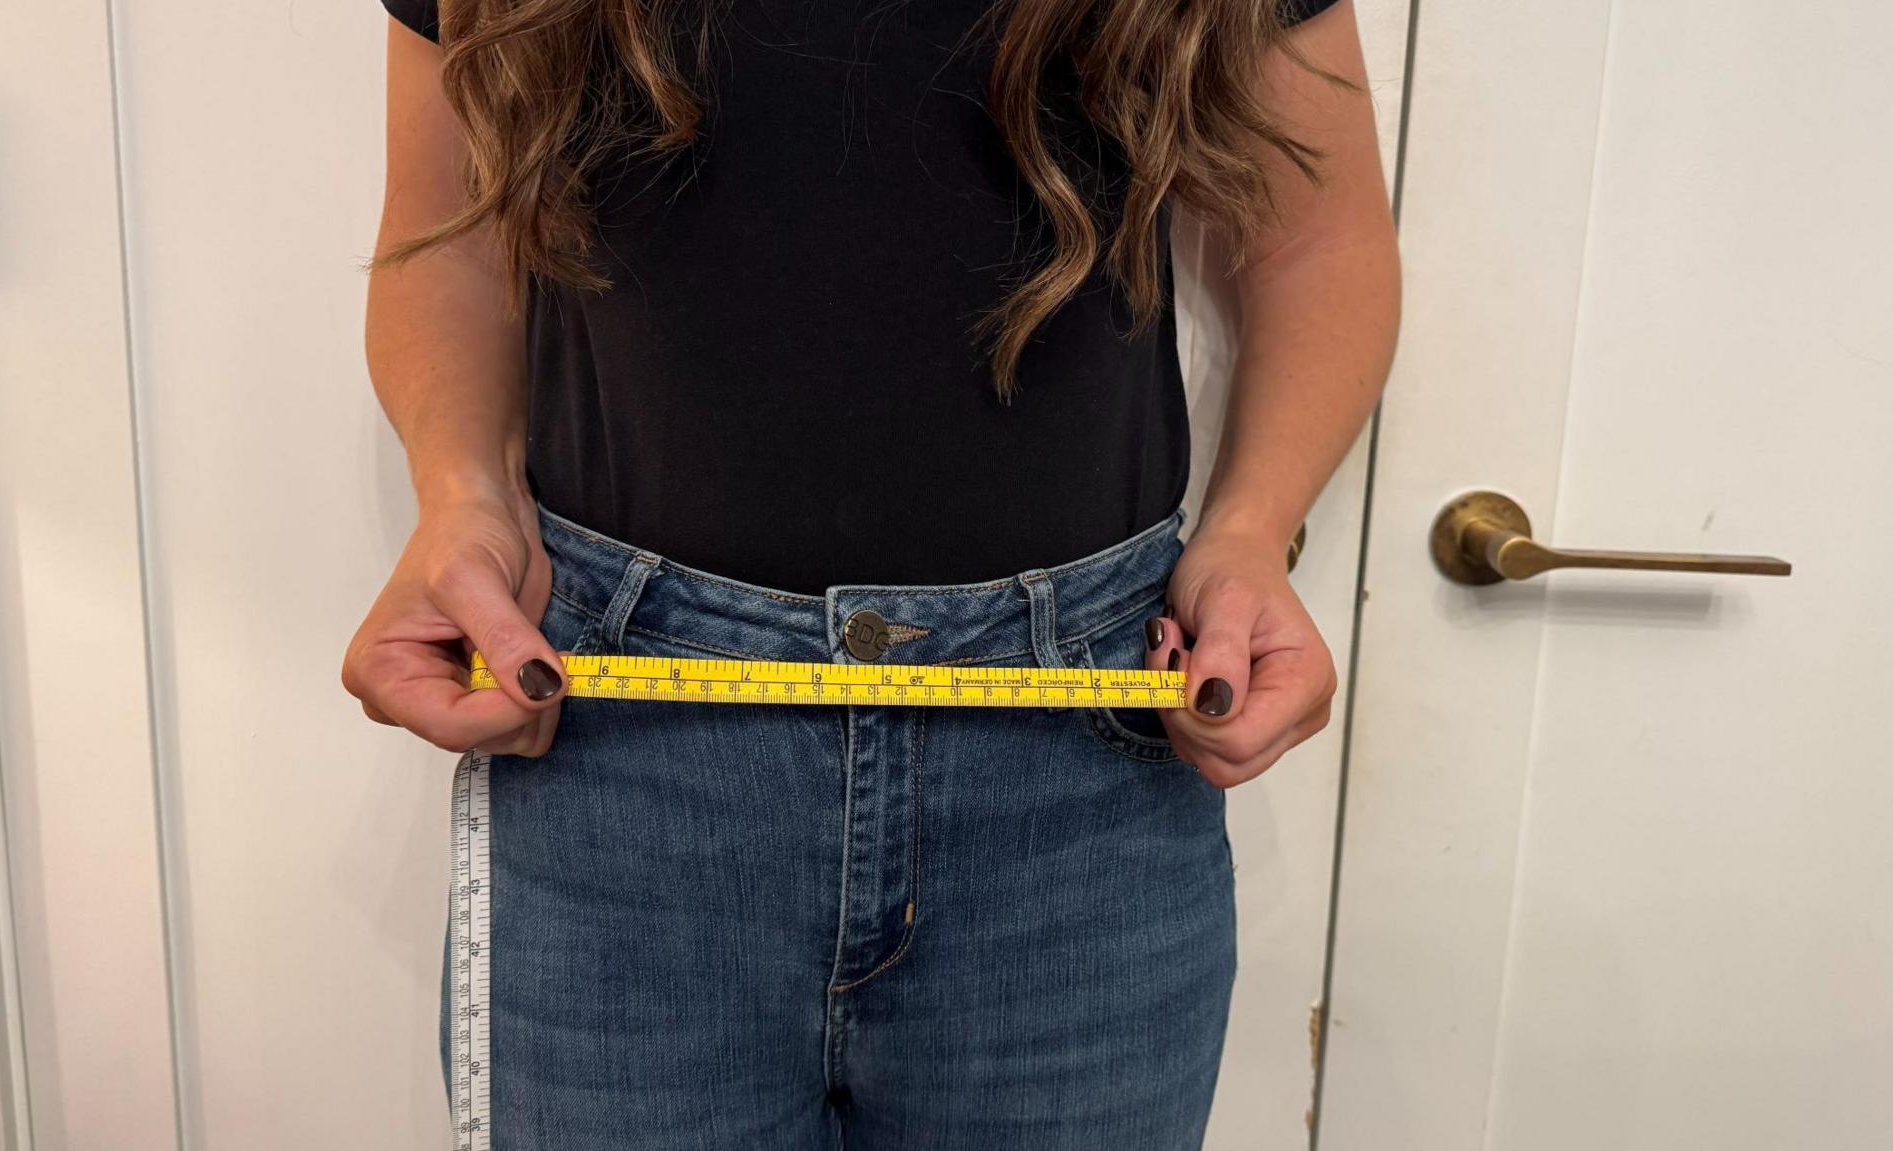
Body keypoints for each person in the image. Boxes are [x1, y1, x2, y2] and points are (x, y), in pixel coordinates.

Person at [343, 0, 1398, 1145]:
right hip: (614, 743)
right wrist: (460, 498)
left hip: (1081, 768)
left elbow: (1319, 242)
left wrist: (1247, 536)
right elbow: (448, 232)